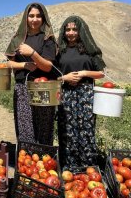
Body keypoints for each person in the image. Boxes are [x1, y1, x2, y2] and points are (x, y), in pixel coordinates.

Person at [56, 15, 106, 170]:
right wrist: (65, 77)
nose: (71, 33)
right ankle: (69, 167)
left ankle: (88, 167)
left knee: (86, 130)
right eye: (68, 29)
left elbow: (101, 74)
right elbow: (54, 76)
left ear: (81, 31)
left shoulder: (89, 50)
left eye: (74, 29)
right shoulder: (60, 52)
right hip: (66, 94)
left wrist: (84, 73)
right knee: (67, 131)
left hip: (86, 94)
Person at [5, 3, 57, 145]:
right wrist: (24, 65)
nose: (34, 19)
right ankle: (26, 161)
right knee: (24, 127)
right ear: (26, 18)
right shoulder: (18, 39)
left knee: (44, 128)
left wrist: (32, 53)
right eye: (31, 16)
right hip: (22, 88)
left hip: (43, 88)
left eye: (38, 16)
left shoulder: (48, 39)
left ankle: (45, 161)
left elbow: (48, 67)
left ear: (43, 18)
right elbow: (9, 63)